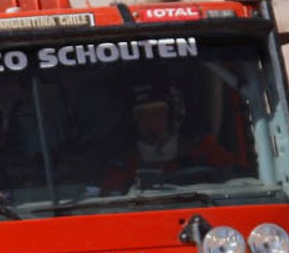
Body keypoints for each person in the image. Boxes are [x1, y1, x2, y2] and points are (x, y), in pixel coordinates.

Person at [100, 82, 241, 192]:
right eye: (142, 114)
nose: (150, 119)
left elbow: (236, 179)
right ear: (134, 120)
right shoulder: (124, 163)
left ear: (170, 113)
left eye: (157, 111)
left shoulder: (203, 148)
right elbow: (111, 196)